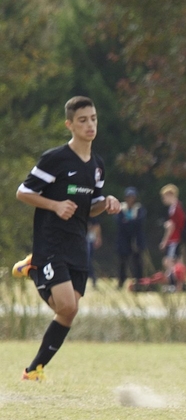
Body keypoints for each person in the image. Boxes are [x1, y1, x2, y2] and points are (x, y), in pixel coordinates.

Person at [14, 96, 121, 381]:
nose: (90, 125)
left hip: (77, 243)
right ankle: (35, 266)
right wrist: (55, 205)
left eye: (94, 119)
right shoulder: (55, 159)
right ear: (70, 125)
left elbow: (92, 205)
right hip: (51, 242)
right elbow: (23, 192)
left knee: (67, 312)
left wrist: (107, 202)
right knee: (68, 306)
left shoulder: (97, 165)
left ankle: (33, 370)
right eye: (83, 120)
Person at [116, 186, 146, 290]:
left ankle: (139, 283)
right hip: (124, 240)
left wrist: (127, 222)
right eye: (128, 197)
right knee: (122, 262)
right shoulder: (121, 208)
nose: (130, 199)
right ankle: (121, 281)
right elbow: (119, 222)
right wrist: (131, 223)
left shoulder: (139, 208)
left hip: (136, 240)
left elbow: (140, 222)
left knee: (137, 262)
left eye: (132, 197)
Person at [159, 183, 186, 291]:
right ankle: (179, 285)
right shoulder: (177, 207)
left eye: (164, 196)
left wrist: (164, 241)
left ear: (171, 195)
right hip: (177, 239)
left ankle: (175, 285)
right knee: (177, 262)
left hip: (174, 239)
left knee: (169, 262)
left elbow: (172, 226)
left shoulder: (175, 208)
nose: (163, 199)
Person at [85, 216, 102, 288]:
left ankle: (93, 278)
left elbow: (96, 225)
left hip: (89, 239)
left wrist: (98, 237)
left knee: (88, 260)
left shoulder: (90, 212)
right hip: (80, 239)